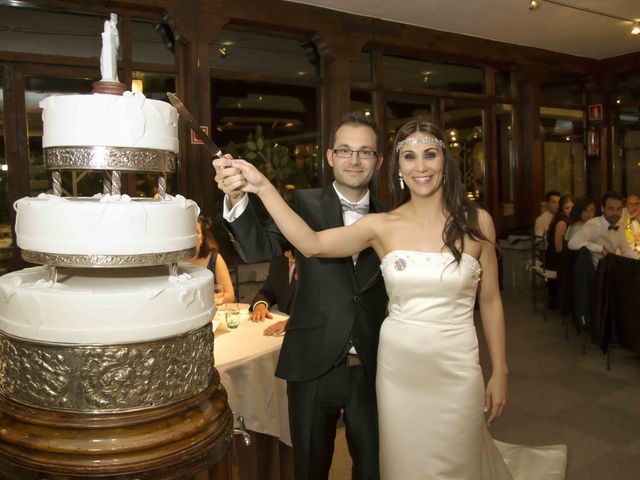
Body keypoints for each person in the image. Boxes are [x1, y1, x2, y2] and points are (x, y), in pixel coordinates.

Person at [221, 120, 567, 479]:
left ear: (444, 161)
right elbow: (311, 243)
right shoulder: (382, 225)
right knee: (400, 461)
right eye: (410, 157)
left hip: (457, 364)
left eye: (430, 155)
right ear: (399, 167)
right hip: (393, 367)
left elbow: (492, 300)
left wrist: (501, 370)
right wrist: (261, 187)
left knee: (457, 455)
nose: (421, 167)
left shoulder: (478, 222)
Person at [213, 112, 387, 479]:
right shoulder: (301, 204)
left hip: (377, 363)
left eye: (365, 152)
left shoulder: (395, 215)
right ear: (329, 157)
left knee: (374, 468)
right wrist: (237, 200)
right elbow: (258, 247)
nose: (354, 160)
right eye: (345, 150)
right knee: (309, 466)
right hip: (312, 362)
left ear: (379, 160)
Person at [568, 191, 640, 266]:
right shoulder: (594, 225)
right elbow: (572, 243)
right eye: (611, 209)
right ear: (602, 209)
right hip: (597, 274)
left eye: (619, 209)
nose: (616, 213)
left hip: (611, 269)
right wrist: (600, 248)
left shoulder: (619, 226)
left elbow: (626, 251)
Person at [248, 249, 297, 337]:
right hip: (281, 333)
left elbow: (320, 306)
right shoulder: (278, 261)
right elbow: (267, 292)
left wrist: (290, 323)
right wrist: (260, 305)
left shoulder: (318, 263)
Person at [187, 215, 235, 303]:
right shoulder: (172, 262)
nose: (192, 237)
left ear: (202, 238)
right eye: (188, 233)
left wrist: (207, 300)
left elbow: (230, 295)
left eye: (196, 232)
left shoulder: (214, 259)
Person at [546, 194, 574, 271]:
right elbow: (559, 249)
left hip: (563, 257)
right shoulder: (562, 222)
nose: (571, 210)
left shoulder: (571, 220)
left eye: (573, 207)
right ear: (562, 210)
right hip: (555, 260)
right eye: (567, 208)